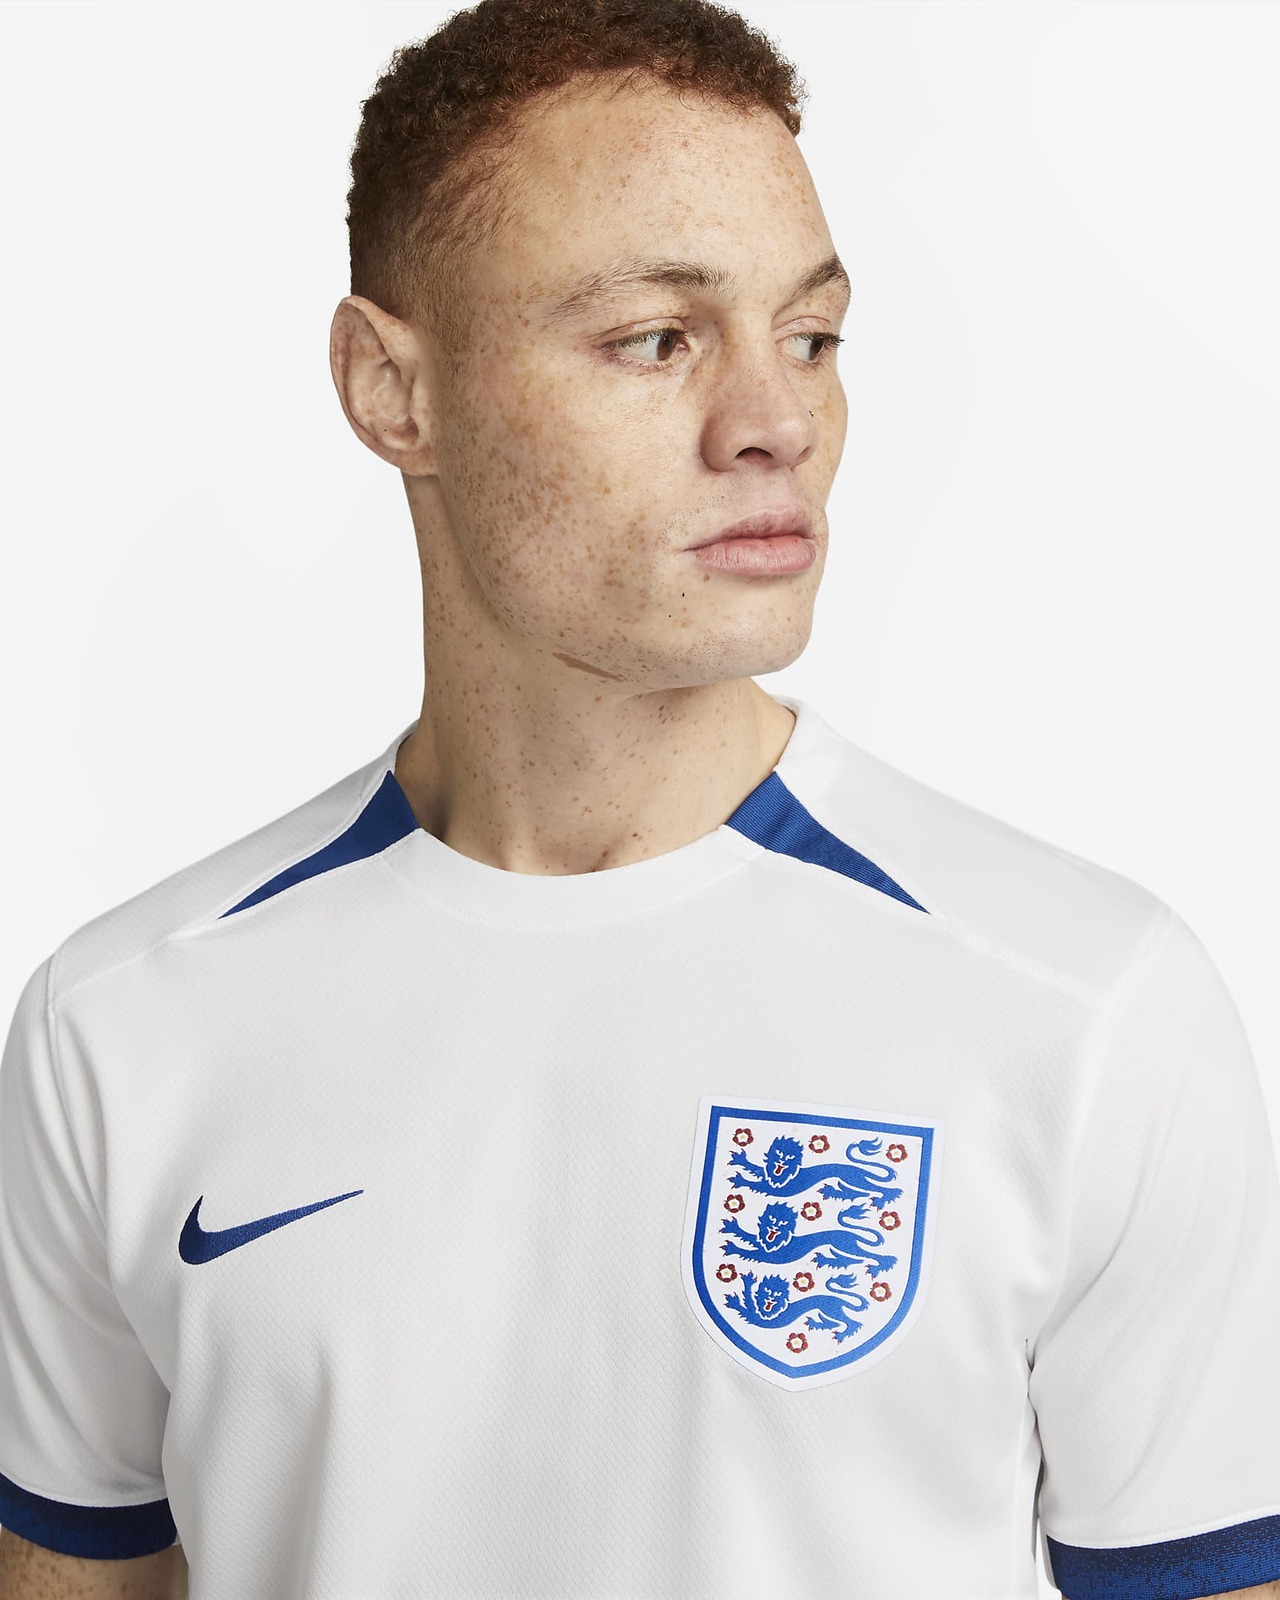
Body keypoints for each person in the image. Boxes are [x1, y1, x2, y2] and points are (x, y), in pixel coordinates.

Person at [1, 0, 1277, 1595]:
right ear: (392, 390)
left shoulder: (1087, 1010)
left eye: (810, 336)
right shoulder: (124, 1026)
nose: (776, 422)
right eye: (657, 339)